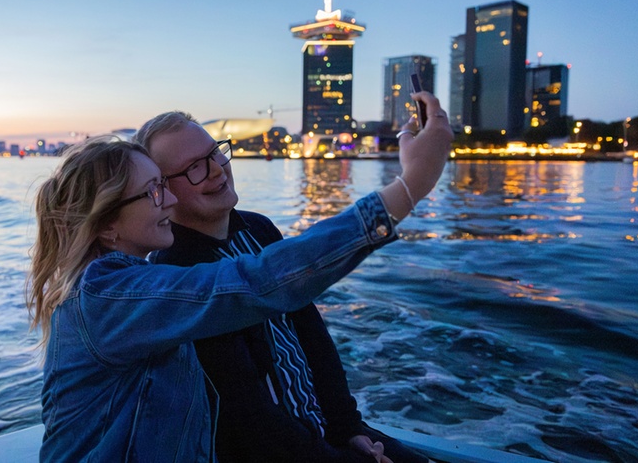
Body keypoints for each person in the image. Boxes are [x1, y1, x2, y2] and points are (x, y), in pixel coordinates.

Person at [26, 91, 452, 462]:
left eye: (215, 154)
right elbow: (255, 286)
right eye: (155, 190)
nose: (170, 199)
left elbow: (304, 334)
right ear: (106, 225)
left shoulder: (135, 284)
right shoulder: (109, 298)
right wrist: (411, 185)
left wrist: (346, 427)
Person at [135, 108, 436, 463]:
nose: (217, 169)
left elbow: (312, 337)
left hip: (326, 430)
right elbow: (248, 418)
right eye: (194, 168)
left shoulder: (259, 229)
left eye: (214, 152)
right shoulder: (177, 276)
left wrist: (350, 428)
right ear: (163, 191)